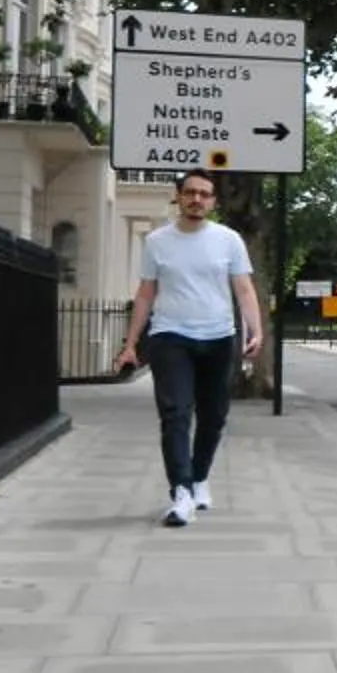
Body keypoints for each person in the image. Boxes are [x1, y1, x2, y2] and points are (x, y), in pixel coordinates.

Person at [115, 170, 266, 525]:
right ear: (179, 196)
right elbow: (146, 294)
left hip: (219, 338)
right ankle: (181, 492)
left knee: (213, 417)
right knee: (175, 414)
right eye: (190, 192)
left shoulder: (228, 240)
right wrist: (130, 344)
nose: (197, 199)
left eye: (204, 194)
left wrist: (256, 332)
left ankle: (199, 478)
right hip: (170, 337)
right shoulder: (157, 242)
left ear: (213, 201)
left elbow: (244, 289)